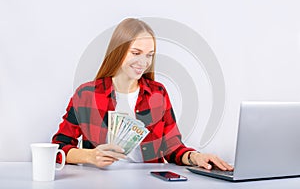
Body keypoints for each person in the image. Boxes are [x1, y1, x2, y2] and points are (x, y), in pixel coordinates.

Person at [52, 18, 233, 171]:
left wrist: (196, 157)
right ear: (118, 51)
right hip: (101, 182)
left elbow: (172, 148)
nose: (143, 62)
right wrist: (90, 156)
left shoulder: (158, 94)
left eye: (149, 55)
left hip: (148, 182)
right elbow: (58, 147)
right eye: (136, 53)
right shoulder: (87, 94)